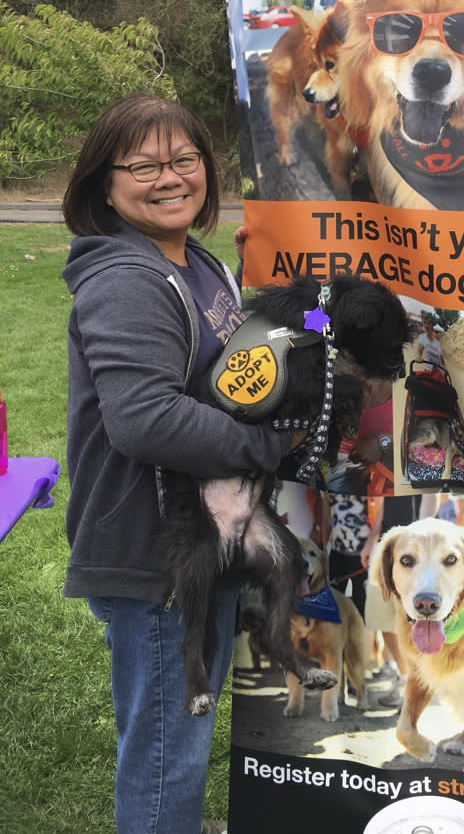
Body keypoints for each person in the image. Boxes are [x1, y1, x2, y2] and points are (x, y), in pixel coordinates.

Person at [61, 93, 300, 834]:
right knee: (168, 752)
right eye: (143, 165)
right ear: (106, 182)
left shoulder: (196, 262)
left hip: (200, 538)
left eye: (184, 159)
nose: (170, 177)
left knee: (181, 732)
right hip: (152, 553)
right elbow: (146, 419)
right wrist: (273, 447)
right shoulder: (127, 279)